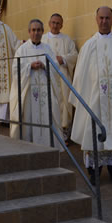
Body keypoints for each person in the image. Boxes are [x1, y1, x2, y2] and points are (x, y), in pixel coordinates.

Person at [70, 6, 112, 184]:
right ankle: (94, 173)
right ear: (96, 19)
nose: (104, 21)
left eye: (107, 18)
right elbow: (80, 77)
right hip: (95, 100)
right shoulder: (89, 46)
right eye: (101, 18)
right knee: (94, 137)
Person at [9, 19, 63, 149]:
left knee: (47, 116)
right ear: (29, 32)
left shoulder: (47, 49)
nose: (36, 33)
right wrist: (29, 66)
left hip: (45, 92)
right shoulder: (22, 50)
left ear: (42, 32)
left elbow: (55, 68)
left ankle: (48, 146)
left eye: (39, 30)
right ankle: (27, 147)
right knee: (28, 119)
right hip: (28, 93)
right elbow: (15, 70)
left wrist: (45, 66)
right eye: (33, 30)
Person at [41, 13, 78, 142]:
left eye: (58, 23)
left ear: (62, 25)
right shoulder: (43, 39)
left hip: (63, 77)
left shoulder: (67, 40)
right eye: (53, 22)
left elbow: (74, 55)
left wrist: (63, 59)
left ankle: (64, 135)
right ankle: (48, 134)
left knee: (65, 104)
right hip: (47, 76)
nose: (55, 25)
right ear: (49, 23)